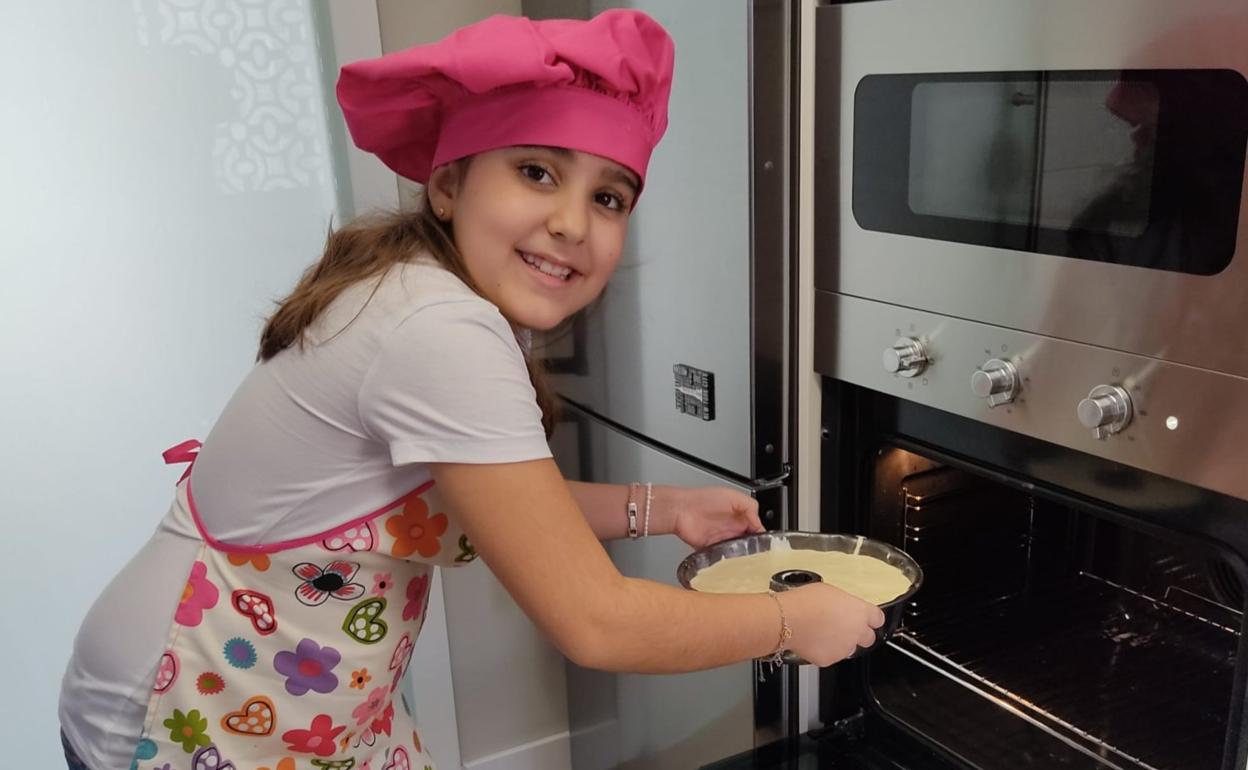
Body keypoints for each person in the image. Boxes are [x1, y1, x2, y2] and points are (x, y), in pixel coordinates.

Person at [57, 10, 884, 770]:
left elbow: (505, 503)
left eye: (608, 196)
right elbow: (595, 622)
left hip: (289, 692)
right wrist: (793, 623)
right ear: (448, 185)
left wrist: (664, 508)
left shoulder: (423, 291)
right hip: (188, 697)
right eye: (536, 171)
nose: (572, 221)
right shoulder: (436, 329)